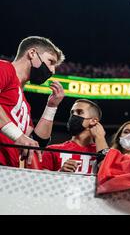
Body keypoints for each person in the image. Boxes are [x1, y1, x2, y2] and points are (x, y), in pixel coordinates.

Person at [0, 36, 65, 167]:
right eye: (51, 61)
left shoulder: (25, 105)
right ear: (32, 53)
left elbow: (36, 143)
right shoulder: (4, 68)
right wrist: (18, 135)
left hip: (9, 171)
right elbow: (21, 138)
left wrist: (51, 107)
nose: (52, 70)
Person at [40, 99, 108, 174]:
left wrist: (100, 138)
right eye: (72, 112)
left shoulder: (105, 152)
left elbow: (109, 173)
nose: (74, 115)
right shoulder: (52, 150)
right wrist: (60, 173)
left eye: (79, 112)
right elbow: (40, 180)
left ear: (93, 121)